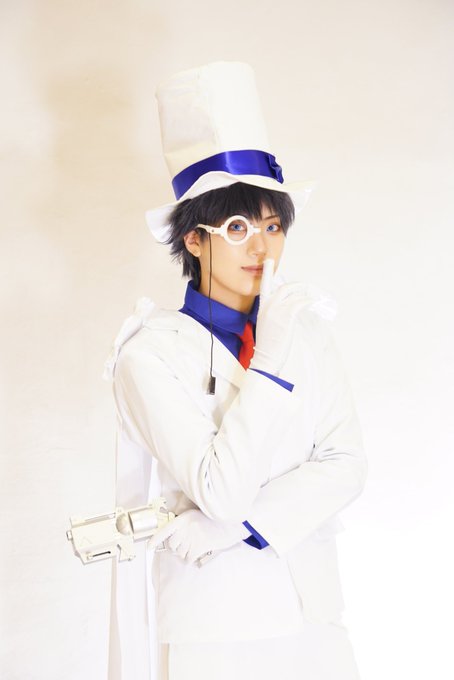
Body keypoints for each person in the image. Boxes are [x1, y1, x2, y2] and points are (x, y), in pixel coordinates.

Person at [107, 61, 367, 680]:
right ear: (193, 240)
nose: (261, 246)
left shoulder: (304, 328)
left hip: (315, 619)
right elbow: (217, 489)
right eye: (237, 226)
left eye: (273, 225)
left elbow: (347, 464)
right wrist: (269, 362)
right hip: (216, 627)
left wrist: (243, 526)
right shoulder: (149, 355)